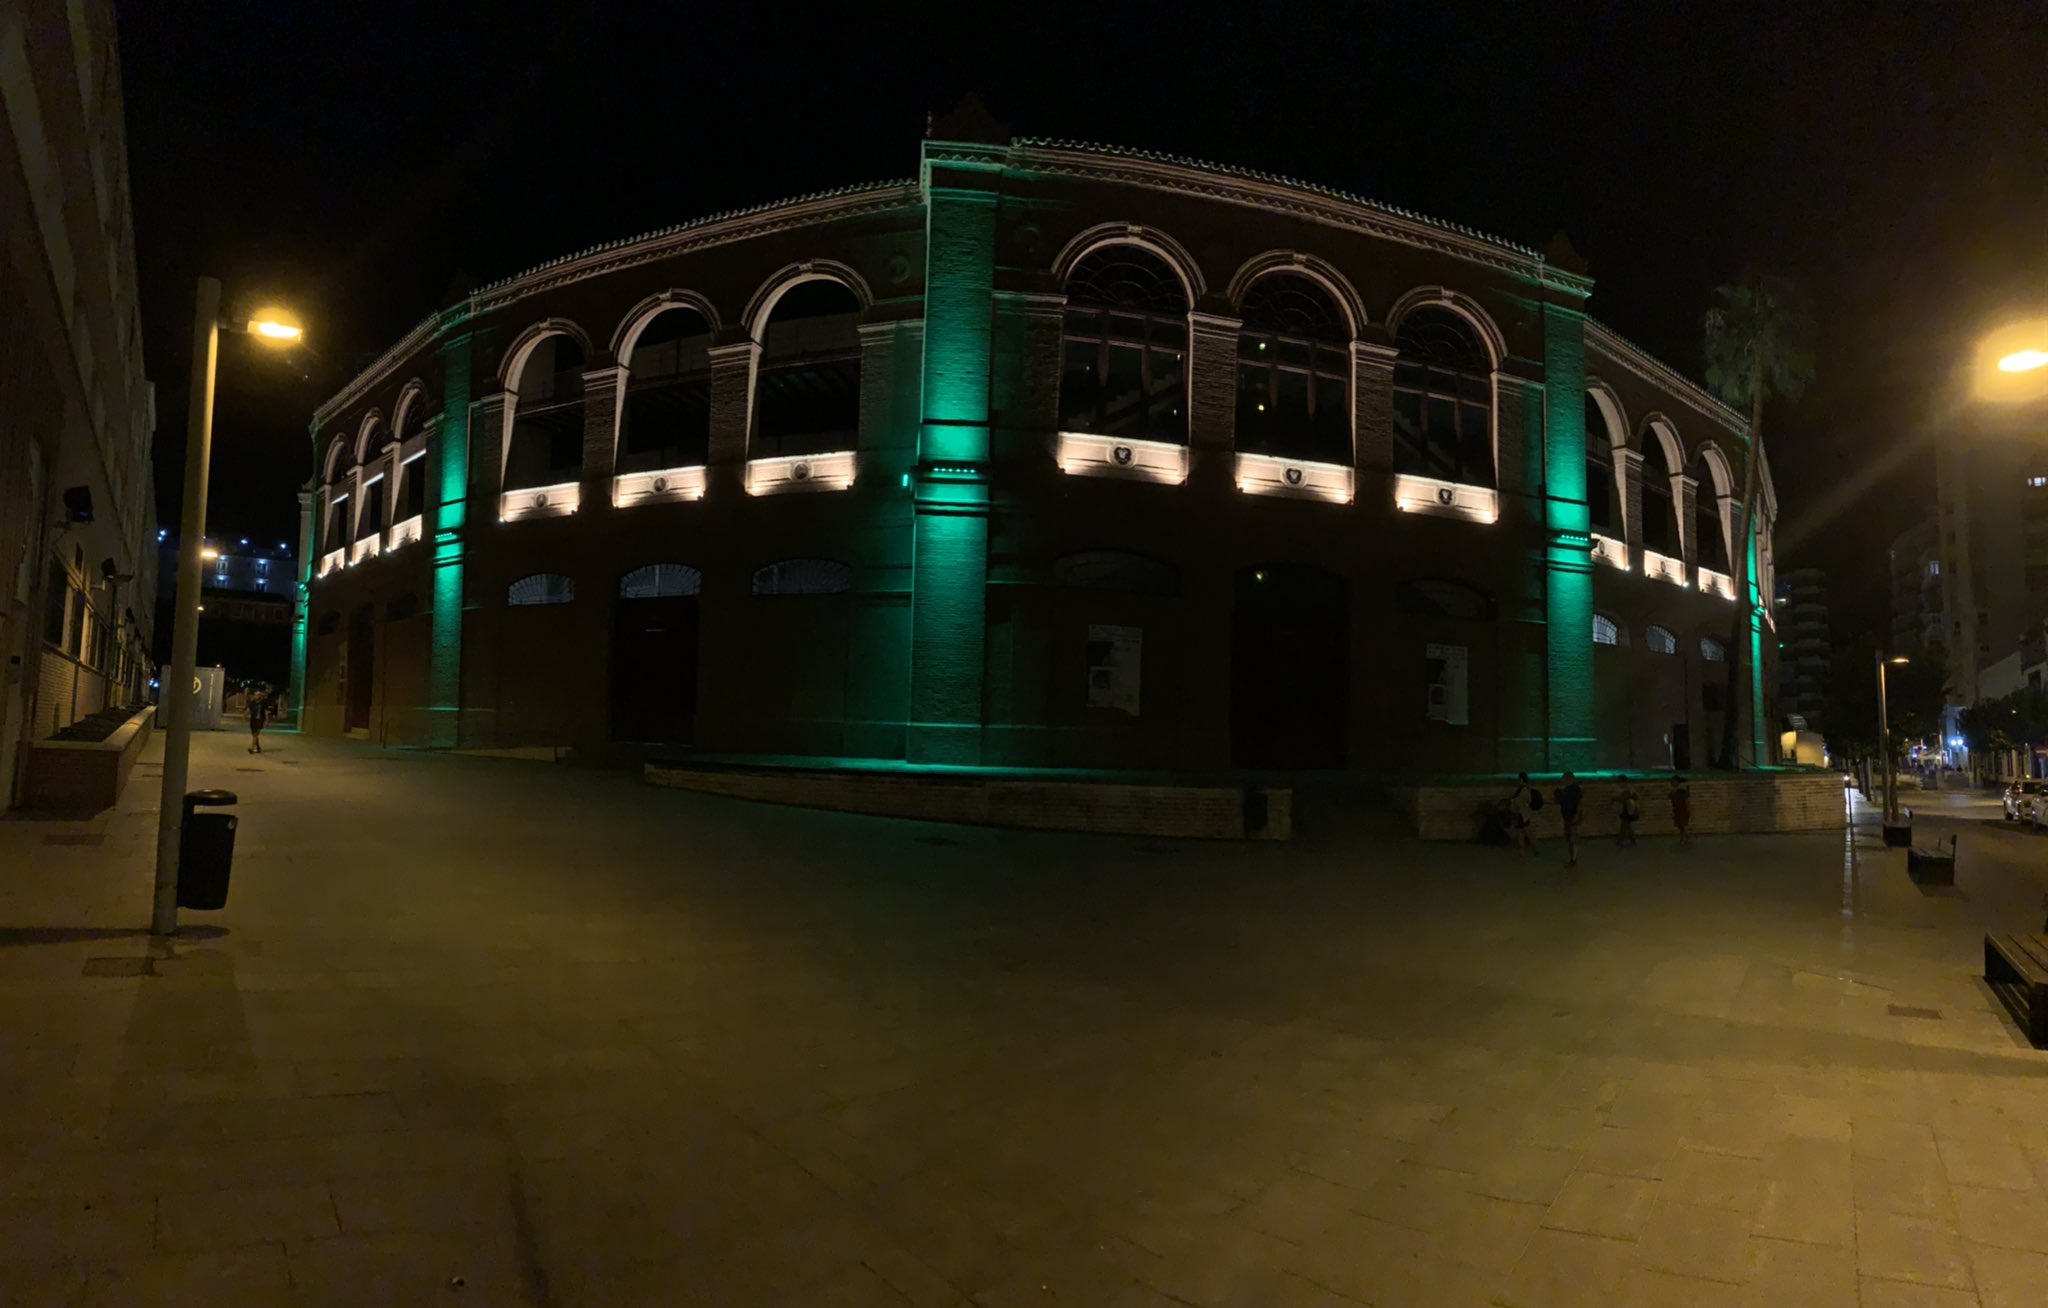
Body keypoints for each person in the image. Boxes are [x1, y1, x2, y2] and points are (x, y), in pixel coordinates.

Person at [1506, 771, 1543, 857]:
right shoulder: (1526, 788)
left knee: (1524, 832)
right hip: (1523, 814)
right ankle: (1529, 850)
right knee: (1523, 832)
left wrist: (1513, 801)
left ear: (1521, 779)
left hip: (1521, 814)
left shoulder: (1524, 789)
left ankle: (1529, 850)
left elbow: (1522, 801)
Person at [1557, 771, 1584, 866]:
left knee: (1572, 837)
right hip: (1568, 816)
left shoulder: (1575, 790)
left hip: (1572, 816)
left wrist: (1576, 814)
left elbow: (1579, 803)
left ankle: (1573, 858)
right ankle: (1572, 858)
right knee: (1570, 838)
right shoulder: (1569, 789)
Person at [1616, 776, 1640, 847]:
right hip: (1627, 809)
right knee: (1627, 826)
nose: (1619, 784)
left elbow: (1624, 798)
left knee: (1624, 825)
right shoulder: (1629, 789)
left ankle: (1621, 841)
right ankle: (1631, 841)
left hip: (1628, 809)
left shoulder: (1628, 790)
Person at [1670, 772, 1692, 845]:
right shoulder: (1674, 791)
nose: (1672, 783)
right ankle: (1684, 837)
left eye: (1673, 781)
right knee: (1680, 825)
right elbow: (1670, 797)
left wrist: (1688, 809)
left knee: (1682, 824)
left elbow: (1686, 800)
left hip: (1682, 809)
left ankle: (1685, 837)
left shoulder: (1682, 790)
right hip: (1677, 809)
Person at [247, 687, 271, 754]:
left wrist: (267, 721)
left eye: (257, 695)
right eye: (254, 695)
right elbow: (248, 710)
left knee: (255, 734)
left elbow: (266, 712)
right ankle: (258, 748)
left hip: (260, 720)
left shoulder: (263, 703)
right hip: (253, 720)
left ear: (259, 696)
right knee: (254, 735)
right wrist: (244, 717)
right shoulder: (252, 703)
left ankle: (252, 748)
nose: (255, 696)